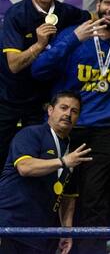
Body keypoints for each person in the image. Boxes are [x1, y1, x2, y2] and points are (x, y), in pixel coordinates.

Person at [31, 0, 110, 253]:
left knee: (95, 199)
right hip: (66, 127)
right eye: (107, 3)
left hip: (103, 130)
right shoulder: (74, 34)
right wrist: (73, 39)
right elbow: (38, 70)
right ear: (97, 5)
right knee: (54, 194)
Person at [0, 0, 90, 167]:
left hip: (39, 104)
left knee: (38, 158)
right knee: (4, 158)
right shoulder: (17, 14)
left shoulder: (65, 12)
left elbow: (92, 19)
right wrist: (40, 45)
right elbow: (14, 64)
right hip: (8, 99)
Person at [0, 92, 92, 254]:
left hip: (40, 233)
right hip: (9, 225)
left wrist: (66, 231)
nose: (68, 114)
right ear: (50, 110)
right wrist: (63, 162)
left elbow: (68, 196)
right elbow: (24, 167)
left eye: (74, 111)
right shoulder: (31, 134)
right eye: (63, 108)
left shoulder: (74, 150)